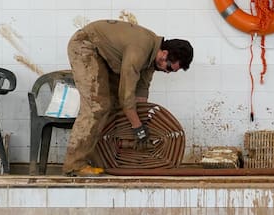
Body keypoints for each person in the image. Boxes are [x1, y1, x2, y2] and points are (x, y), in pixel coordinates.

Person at [61, 20, 193, 176]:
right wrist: (138, 129)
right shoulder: (140, 51)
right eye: (169, 68)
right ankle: (74, 165)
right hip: (85, 45)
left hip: (103, 55)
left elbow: (141, 92)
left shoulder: (152, 59)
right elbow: (127, 96)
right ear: (164, 54)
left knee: (115, 106)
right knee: (97, 106)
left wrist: (142, 122)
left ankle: (99, 158)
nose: (168, 72)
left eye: (172, 71)